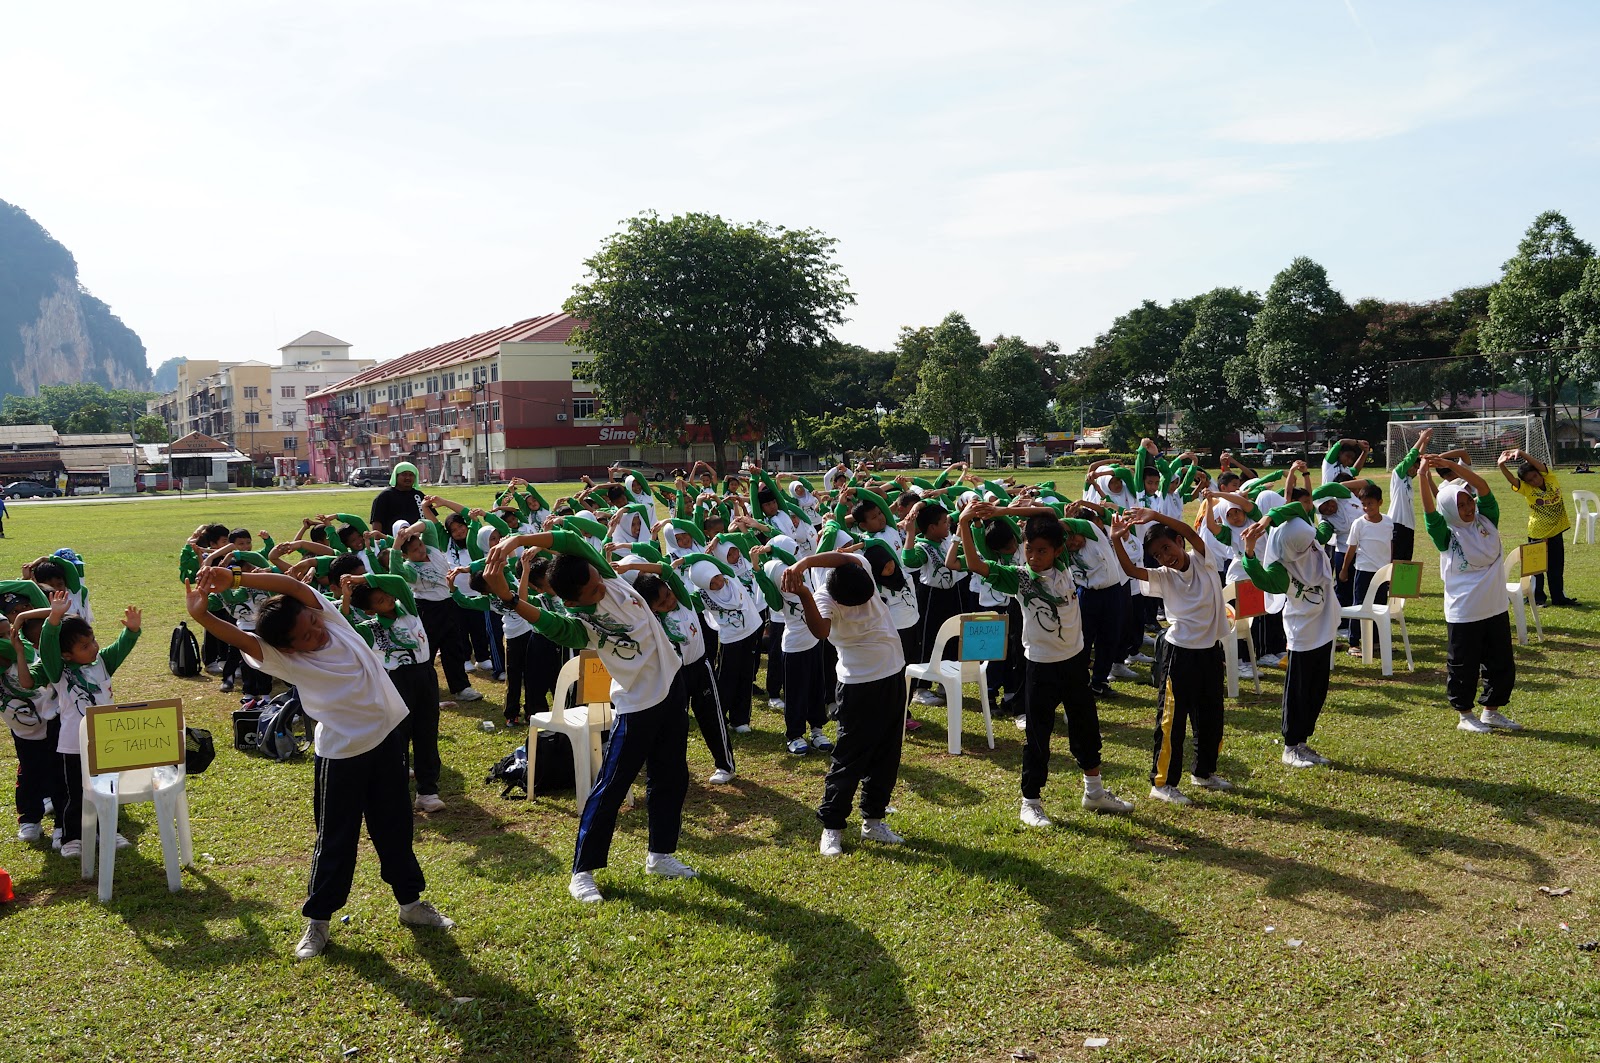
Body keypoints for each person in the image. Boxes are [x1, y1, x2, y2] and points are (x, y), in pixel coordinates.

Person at [184, 566, 454, 959]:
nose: (317, 632)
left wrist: (238, 579)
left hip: (385, 741)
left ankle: (411, 905)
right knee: (335, 840)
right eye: (307, 635)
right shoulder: (287, 660)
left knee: (395, 827)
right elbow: (243, 638)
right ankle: (319, 922)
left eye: (314, 620)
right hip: (342, 756)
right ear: (288, 649)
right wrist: (202, 617)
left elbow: (292, 586)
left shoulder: (333, 621)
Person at [483, 531, 696, 904]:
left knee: (672, 776)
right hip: (637, 704)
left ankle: (660, 855)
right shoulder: (584, 623)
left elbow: (569, 540)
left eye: (599, 581)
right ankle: (582, 872)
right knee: (611, 786)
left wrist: (516, 540)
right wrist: (508, 598)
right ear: (572, 601)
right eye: (593, 592)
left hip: (672, 687)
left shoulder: (605, 578)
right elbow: (550, 624)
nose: (602, 588)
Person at [956, 502, 1134, 827]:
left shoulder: (1064, 565)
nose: (1035, 557)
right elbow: (973, 563)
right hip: (1040, 667)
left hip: (1075, 663)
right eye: (1029, 550)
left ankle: (1093, 791)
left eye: (1042, 551)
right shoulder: (1019, 579)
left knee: (1086, 727)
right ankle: (1031, 802)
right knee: (1039, 736)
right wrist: (967, 523)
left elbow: (1048, 515)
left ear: (1057, 551)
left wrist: (1000, 512)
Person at [780, 550, 908, 856]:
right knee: (850, 758)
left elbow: (841, 557)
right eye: (856, 605)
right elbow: (820, 631)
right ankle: (832, 827)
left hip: (892, 674)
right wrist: (804, 595)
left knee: (887, 753)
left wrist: (805, 562)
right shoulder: (825, 598)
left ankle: (873, 820)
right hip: (857, 686)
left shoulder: (858, 569)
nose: (865, 606)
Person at [1109, 507, 1232, 805]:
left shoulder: (1204, 561)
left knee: (1211, 716)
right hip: (1179, 655)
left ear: (1179, 542)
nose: (1165, 557)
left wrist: (1155, 515)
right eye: (1158, 555)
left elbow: (1191, 531)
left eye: (1167, 548)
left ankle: (1203, 773)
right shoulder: (1163, 577)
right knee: (1172, 723)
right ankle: (1162, 783)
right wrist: (1116, 540)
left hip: (1210, 652)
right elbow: (1130, 571)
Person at [1239, 461, 1339, 769]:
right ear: (1292, 546)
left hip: (1324, 625)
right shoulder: (1282, 568)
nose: (1313, 545)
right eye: (1307, 543)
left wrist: (1270, 517)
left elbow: (1297, 510)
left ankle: (1303, 741)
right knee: (1298, 689)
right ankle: (1290, 746)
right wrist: (1250, 552)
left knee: (1317, 688)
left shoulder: (1306, 539)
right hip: (1303, 632)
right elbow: (1262, 580)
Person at [33, 590, 142, 858]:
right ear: (66, 655)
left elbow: (120, 648)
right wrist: (53, 619)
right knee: (76, 795)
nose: (93, 647)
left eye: (93, 640)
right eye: (84, 646)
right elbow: (47, 648)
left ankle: (108, 830)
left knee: (108, 791)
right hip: (74, 746)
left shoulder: (102, 662)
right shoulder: (59, 672)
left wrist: (131, 631)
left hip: (106, 743)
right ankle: (72, 838)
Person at [1421, 455, 1522, 733]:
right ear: (1450, 511)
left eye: (1468, 501)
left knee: (1501, 663)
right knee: (1463, 666)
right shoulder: (1446, 534)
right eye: (1460, 505)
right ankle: (1465, 715)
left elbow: (1484, 487)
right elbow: (1430, 512)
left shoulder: (1487, 520)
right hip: (1465, 612)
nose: (1467, 508)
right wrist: (1422, 477)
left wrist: (1452, 466)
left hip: (1495, 606)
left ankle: (1491, 711)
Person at [1497, 449, 1576, 607]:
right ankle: (1537, 598)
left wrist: (1521, 453)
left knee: (1556, 568)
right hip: (1538, 533)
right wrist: (1501, 466)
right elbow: (1512, 480)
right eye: (1530, 480)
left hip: (1556, 531)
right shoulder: (1527, 489)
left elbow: (1537, 465)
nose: (1534, 480)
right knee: (1536, 570)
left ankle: (1558, 598)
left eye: (1535, 476)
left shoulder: (1550, 477)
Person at [1340, 483, 1393, 654]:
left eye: (1370, 503)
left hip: (1382, 572)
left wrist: (1391, 569)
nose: (1366, 507)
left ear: (1380, 503)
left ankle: (1376, 641)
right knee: (1359, 606)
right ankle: (1354, 642)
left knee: (1379, 606)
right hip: (1363, 571)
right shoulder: (1358, 524)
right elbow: (1351, 548)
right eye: (1363, 504)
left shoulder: (1388, 522)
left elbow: (1390, 546)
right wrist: (1344, 569)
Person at [368, 461, 426, 535]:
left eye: (411, 475)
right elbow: (377, 522)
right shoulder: (385, 496)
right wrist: (379, 541)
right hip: (393, 542)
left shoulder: (419, 496)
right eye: (404, 474)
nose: (408, 478)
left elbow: (430, 521)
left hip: (418, 542)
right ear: (396, 476)